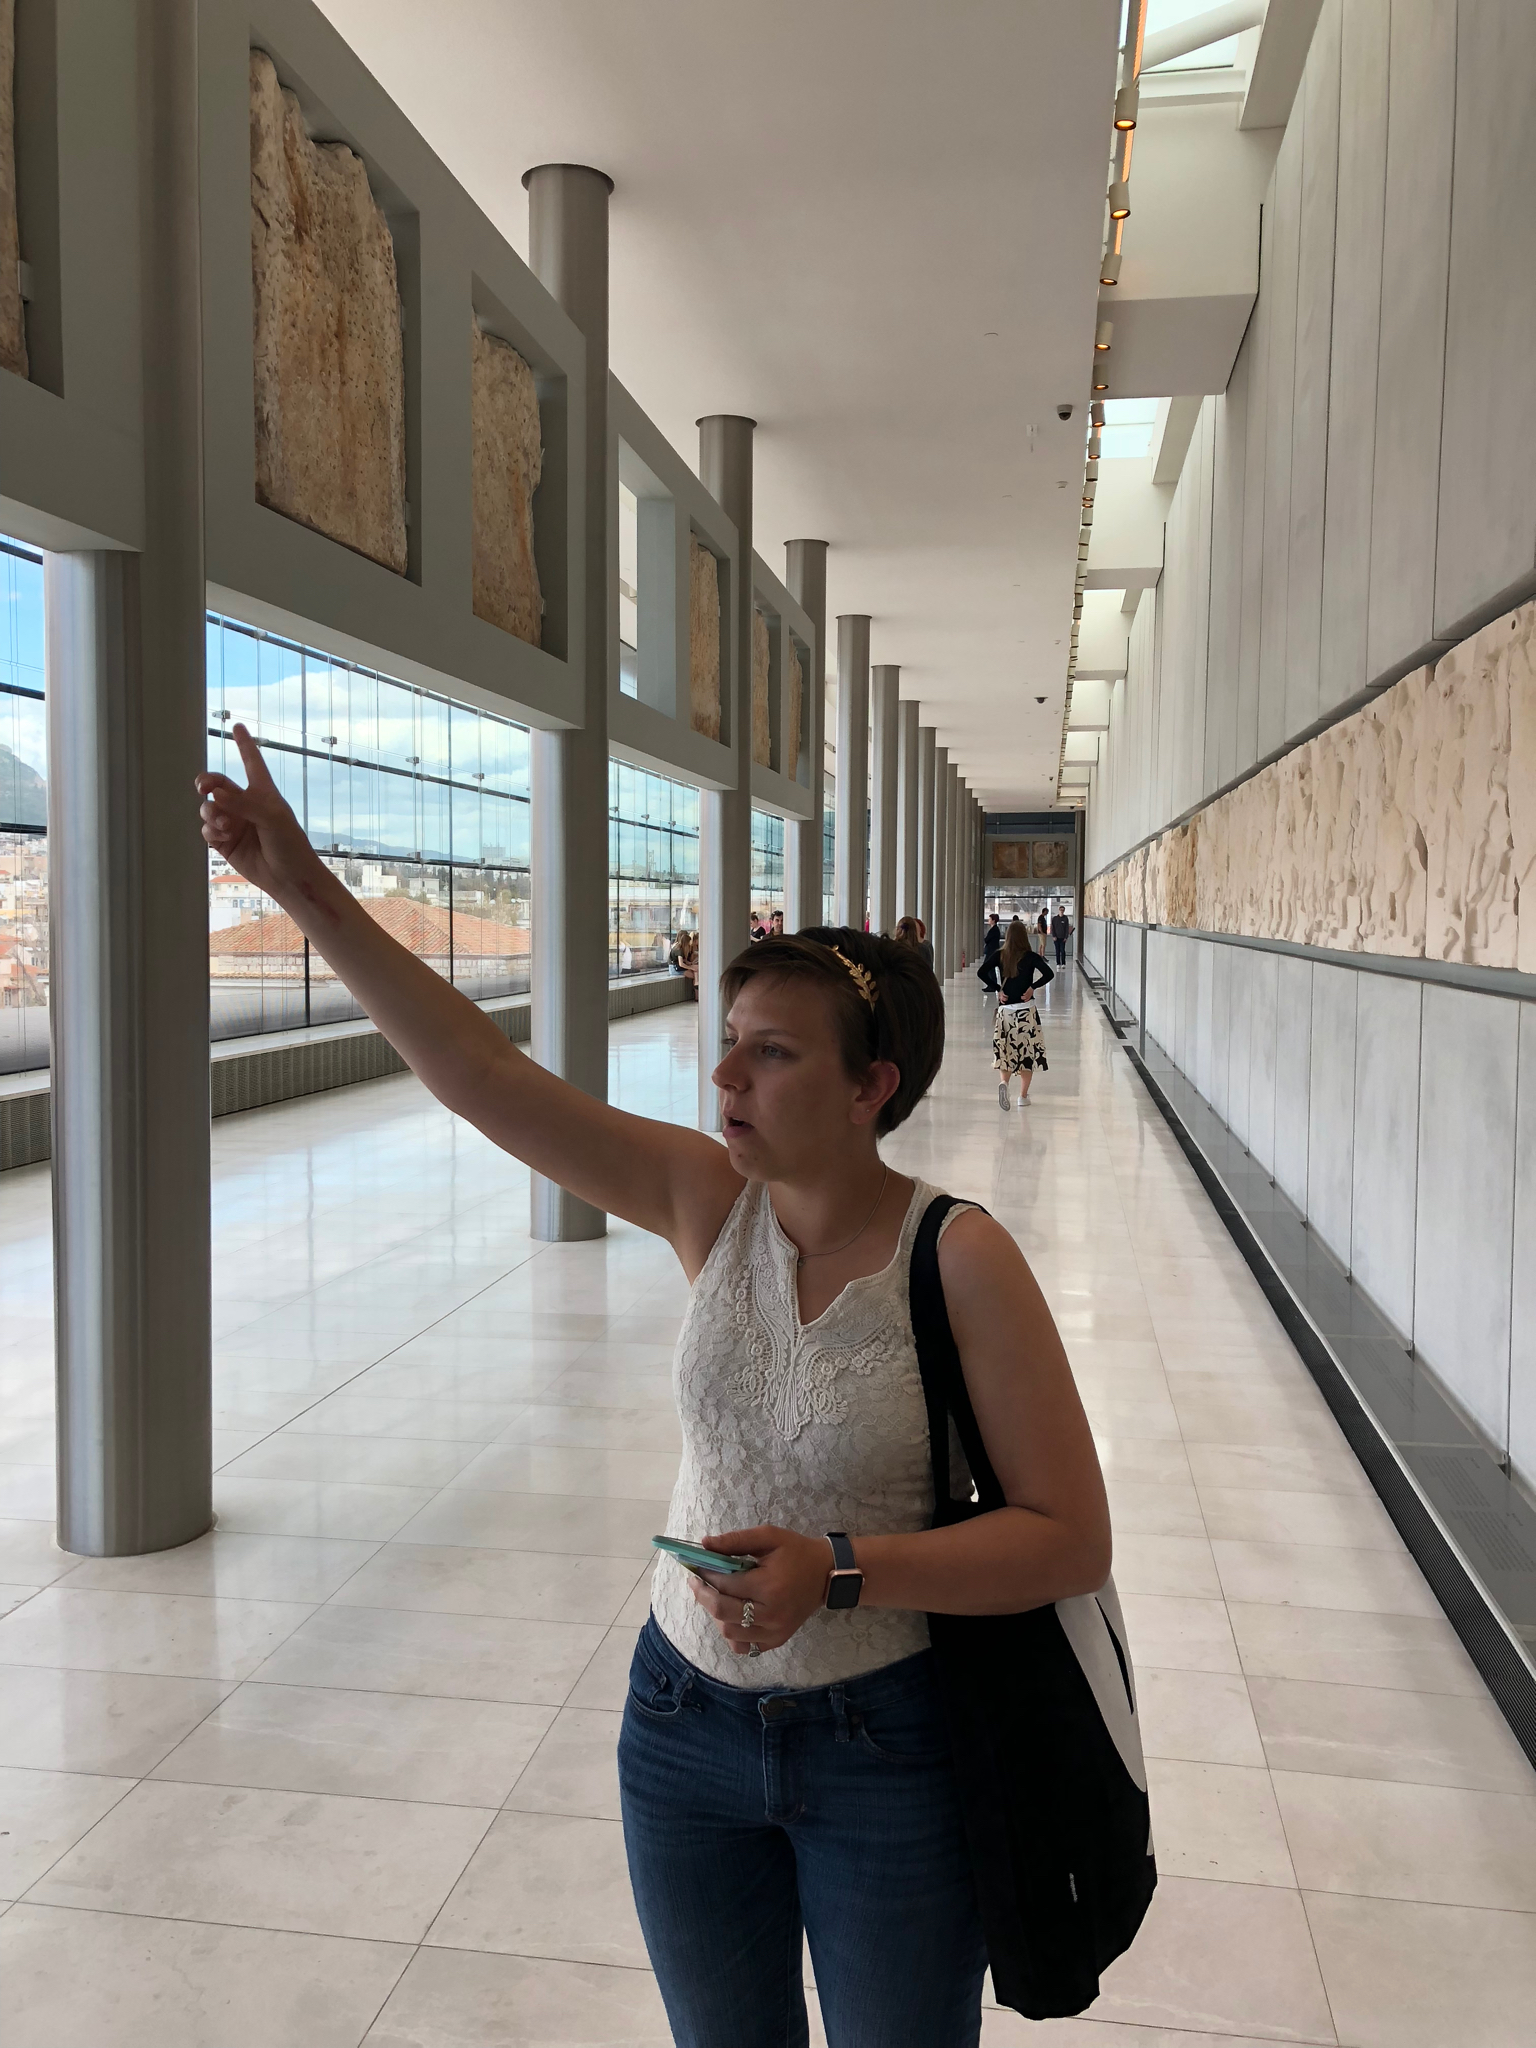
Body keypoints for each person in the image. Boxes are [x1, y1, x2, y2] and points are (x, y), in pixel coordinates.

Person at [194, 726, 1112, 2048]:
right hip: (680, 1728)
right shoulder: (708, 1203)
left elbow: (1067, 1537)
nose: (726, 1074)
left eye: (774, 1054)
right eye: (728, 1040)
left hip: (889, 1749)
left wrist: (840, 1569)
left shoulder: (961, 1259)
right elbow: (481, 1075)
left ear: (872, 1087)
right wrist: (304, 889)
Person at [993, 918, 1053, 1109]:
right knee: (1027, 1054)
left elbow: (982, 972)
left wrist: (998, 989)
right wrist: (1032, 987)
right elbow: (1049, 973)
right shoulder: (1031, 956)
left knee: (1006, 1052)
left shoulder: (1000, 955)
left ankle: (1004, 1083)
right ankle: (1023, 1096)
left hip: (1006, 1013)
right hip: (1026, 1012)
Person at [976, 911, 1002, 993]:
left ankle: (992, 985)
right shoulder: (995, 929)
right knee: (990, 968)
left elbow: (987, 939)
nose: (988, 920)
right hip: (992, 950)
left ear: (993, 920)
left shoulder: (994, 930)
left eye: (990, 919)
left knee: (988, 968)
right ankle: (991, 985)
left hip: (992, 951)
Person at [670, 928, 699, 999]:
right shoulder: (678, 949)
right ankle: (697, 993)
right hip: (675, 969)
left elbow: (685, 961)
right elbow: (681, 964)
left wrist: (691, 964)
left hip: (679, 967)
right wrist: (691, 967)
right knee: (695, 974)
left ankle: (697, 994)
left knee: (696, 972)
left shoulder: (682, 949)